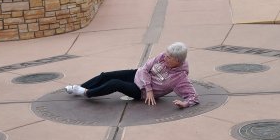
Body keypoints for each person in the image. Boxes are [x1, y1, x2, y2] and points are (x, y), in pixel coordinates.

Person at [65, 42, 199, 108]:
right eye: (166, 54)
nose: (165, 57)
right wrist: (150, 88)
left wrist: (185, 104)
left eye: (169, 57)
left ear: (177, 61)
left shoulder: (180, 77)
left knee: (115, 83)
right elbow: (146, 68)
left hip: (140, 92)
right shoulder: (164, 56)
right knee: (105, 75)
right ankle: (79, 87)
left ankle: (86, 93)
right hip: (139, 75)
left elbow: (193, 97)